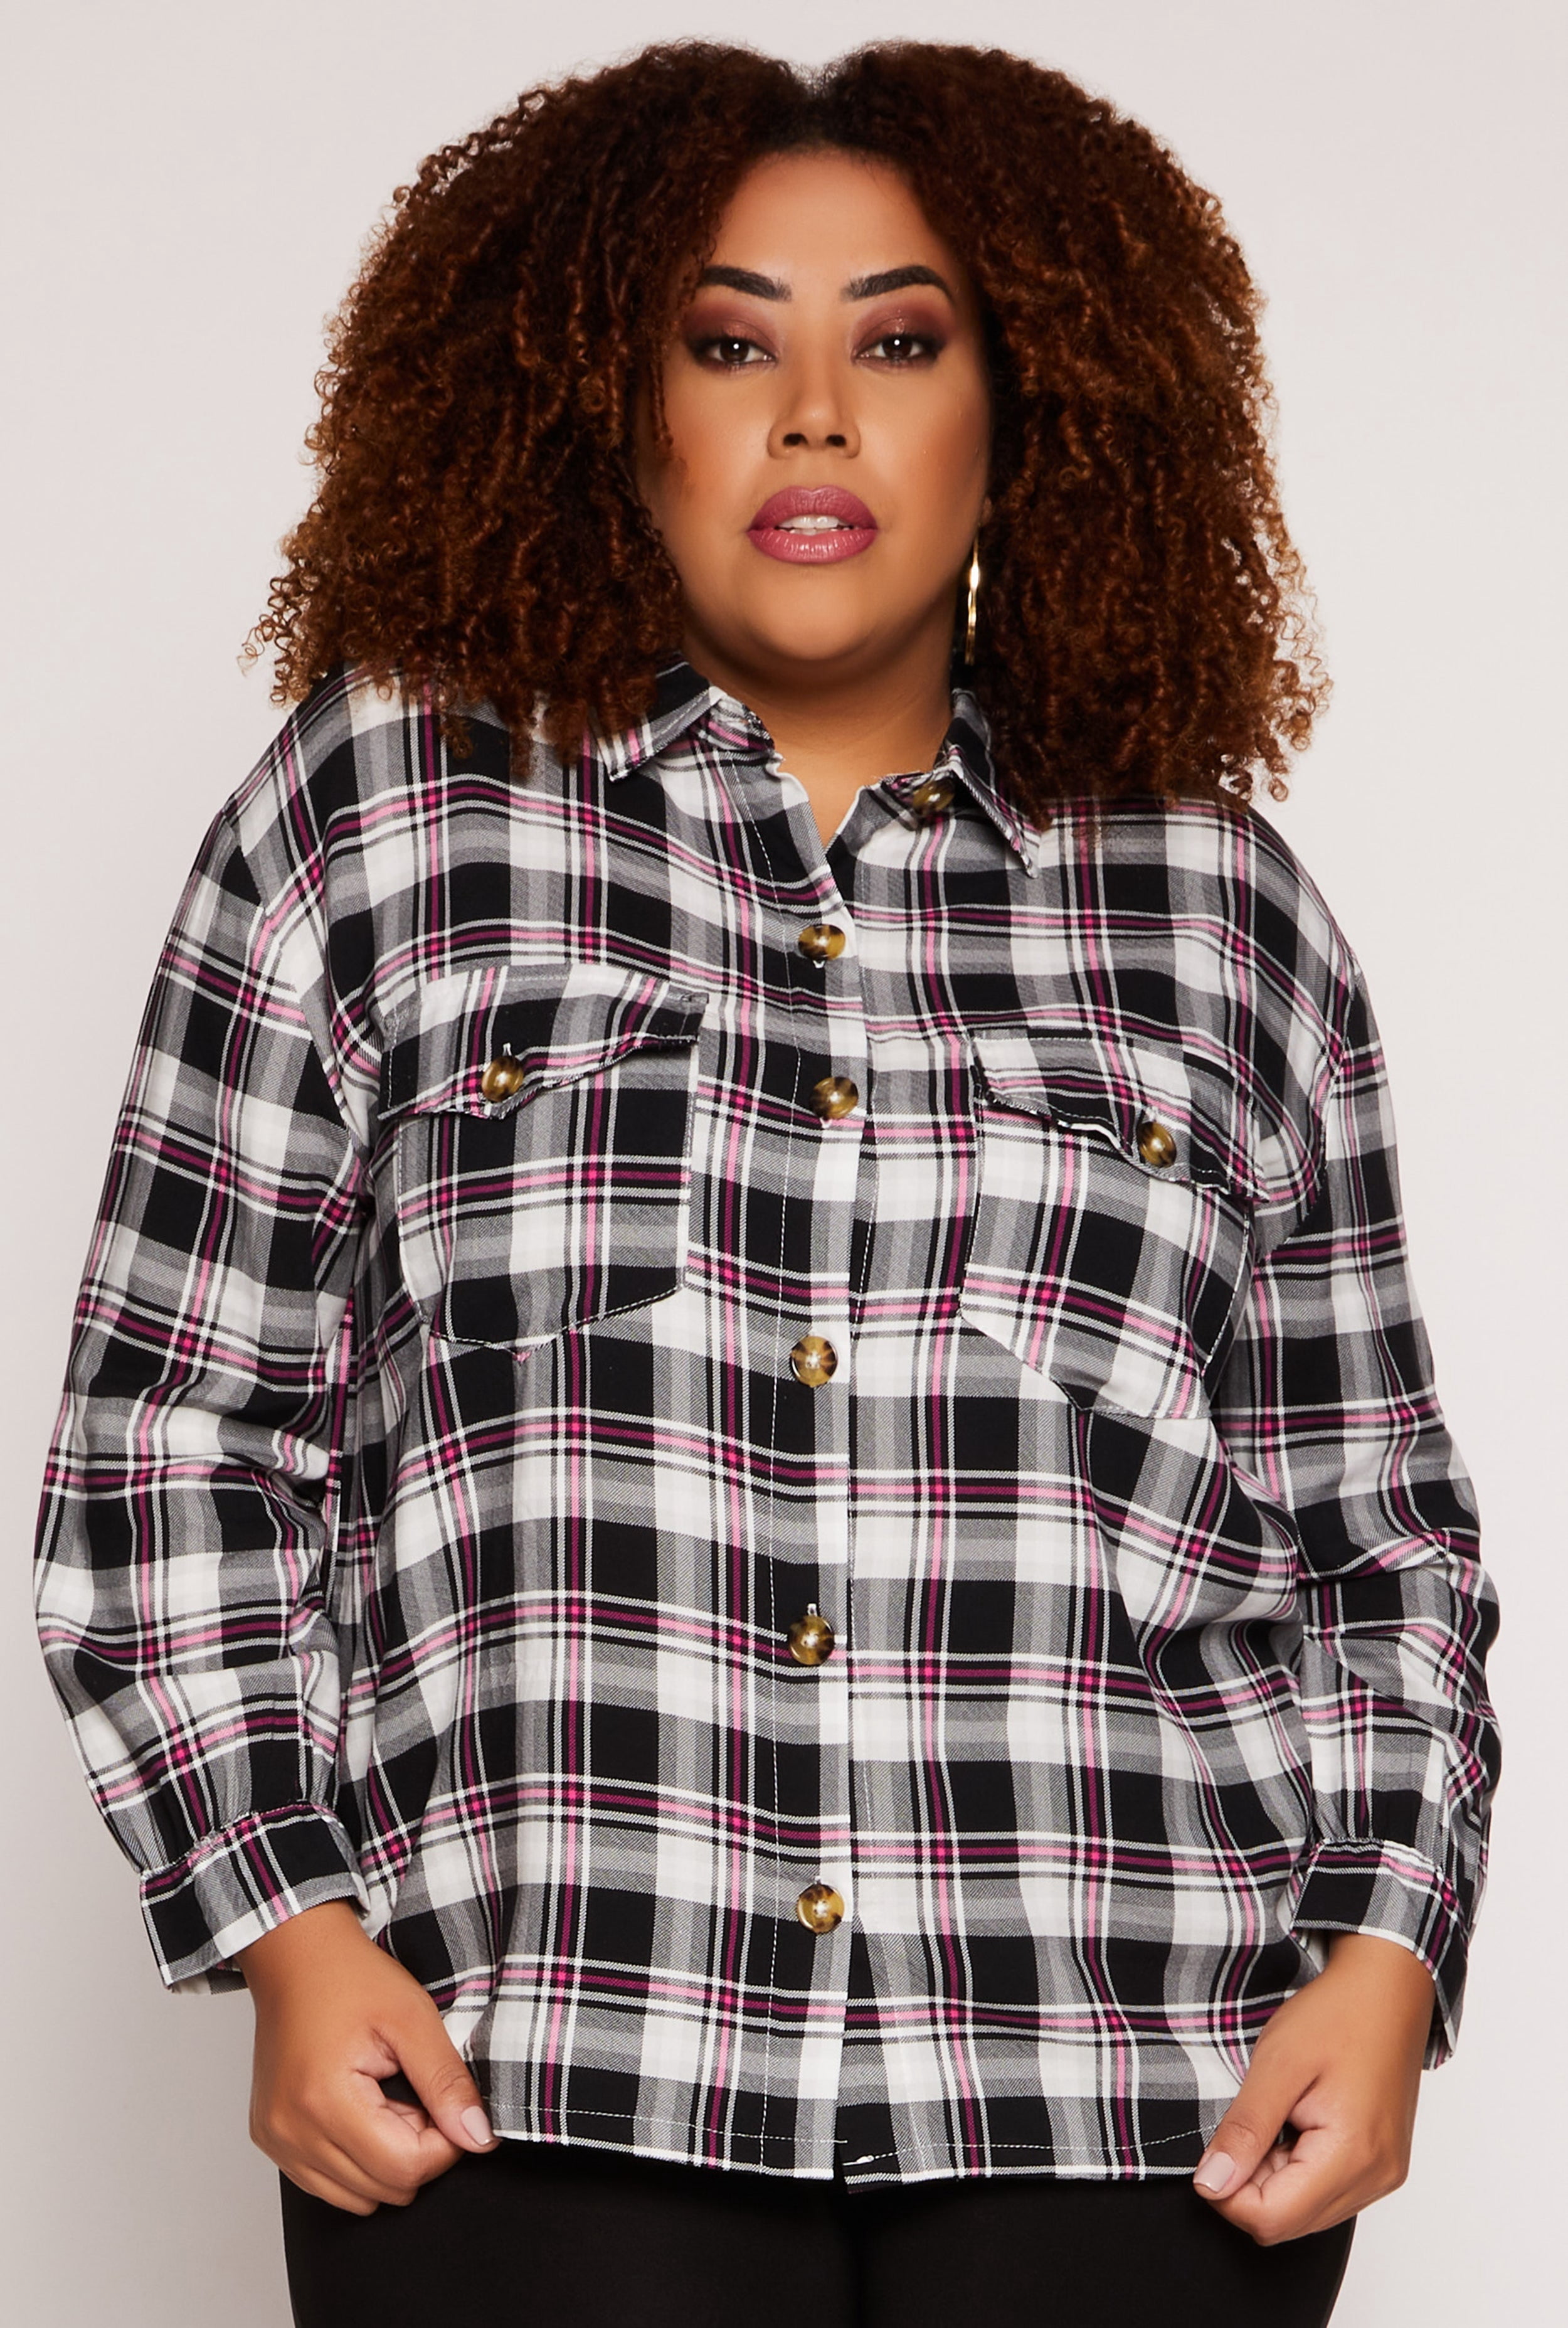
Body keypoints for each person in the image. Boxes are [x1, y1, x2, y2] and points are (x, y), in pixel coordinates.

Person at [31, 36, 1500, 2328]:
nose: (814, 418)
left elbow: (1371, 1522)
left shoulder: (1219, 908)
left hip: (1132, 2101)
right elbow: (176, 1433)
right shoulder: (380, 819)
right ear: (610, 406)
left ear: (1025, 411)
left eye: (898, 346)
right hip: (528, 2077)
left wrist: (1388, 1945)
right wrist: (283, 1920)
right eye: (729, 346)